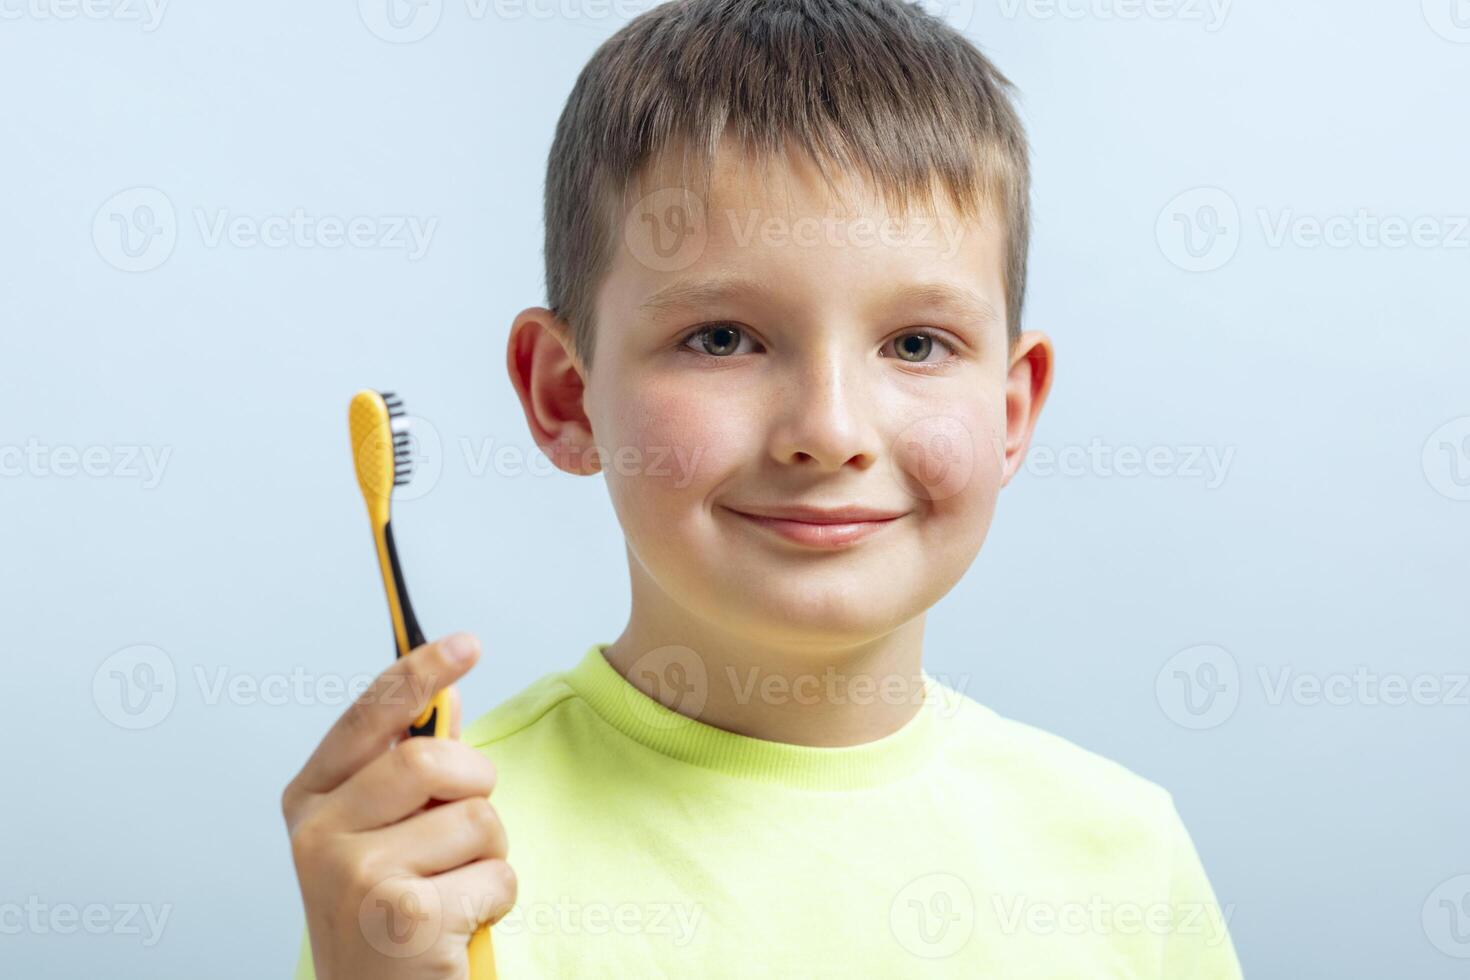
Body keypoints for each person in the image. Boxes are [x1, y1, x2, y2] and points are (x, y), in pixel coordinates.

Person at [283, 0, 1243, 975]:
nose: (828, 431)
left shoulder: (1124, 855)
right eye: (723, 338)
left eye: (916, 343)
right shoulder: (437, 867)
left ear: (1011, 410)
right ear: (567, 394)